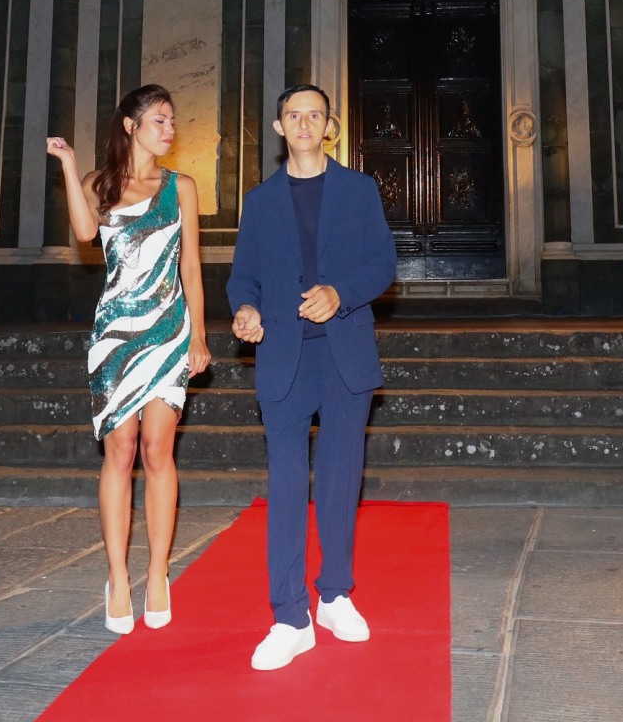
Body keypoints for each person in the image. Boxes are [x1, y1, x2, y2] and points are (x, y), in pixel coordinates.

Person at [227, 84, 397, 671]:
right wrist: (245, 310)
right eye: (293, 115)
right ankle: (289, 617)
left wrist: (339, 293)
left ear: (330, 126)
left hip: (345, 354)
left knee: (341, 481)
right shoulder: (260, 201)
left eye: (314, 115)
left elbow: (383, 264)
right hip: (284, 357)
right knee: (285, 485)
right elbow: (243, 276)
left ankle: (335, 594)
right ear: (279, 127)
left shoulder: (359, 189)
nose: (304, 123)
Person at [46, 84, 211, 635]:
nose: (169, 129)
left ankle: (158, 572)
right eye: (160, 120)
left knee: (158, 449)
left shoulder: (181, 187)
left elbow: (192, 266)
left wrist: (198, 336)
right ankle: (118, 577)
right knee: (119, 451)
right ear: (130, 125)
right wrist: (70, 166)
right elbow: (84, 233)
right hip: (116, 335)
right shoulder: (101, 183)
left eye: (172, 121)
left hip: (167, 330)